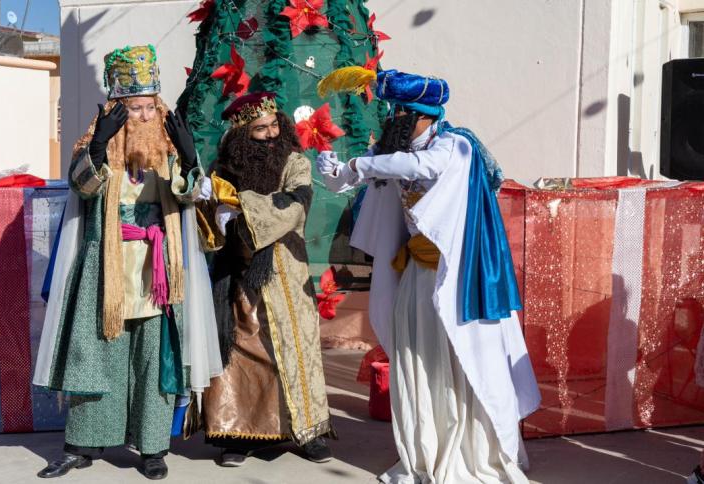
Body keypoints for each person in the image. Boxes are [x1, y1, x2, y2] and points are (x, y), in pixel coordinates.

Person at [317, 70, 541, 483]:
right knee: (417, 363)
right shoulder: (395, 151)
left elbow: (418, 165)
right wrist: (337, 172)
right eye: (394, 112)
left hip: (457, 283)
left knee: (459, 362)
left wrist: (358, 163)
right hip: (416, 278)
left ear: (422, 114)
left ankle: (471, 451)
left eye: (402, 113)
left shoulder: (455, 146)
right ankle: (426, 450)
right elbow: (368, 178)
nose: (395, 119)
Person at [32, 45, 220, 480]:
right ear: (117, 109)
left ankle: (152, 447)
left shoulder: (169, 147)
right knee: (96, 356)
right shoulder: (97, 144)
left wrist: (191, 159)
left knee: (154, 360)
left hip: (159, 268)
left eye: (150, 107)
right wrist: (98, 145)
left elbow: (192, 195)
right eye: (133, 108)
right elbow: (81, 188)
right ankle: (82, 445)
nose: (143, 116)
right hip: (106, 266)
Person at [193, 92, 335, 467]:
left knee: (293, 350)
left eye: (274, 125)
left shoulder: (295, 163)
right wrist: (208, 206)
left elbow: (296, 204)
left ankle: (308, 431)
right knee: (240, 354)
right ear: (242, 134)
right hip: (237, 275)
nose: (271, 134)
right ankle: (238, 432)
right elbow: (209, 220)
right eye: (260, 129)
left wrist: (241, 214)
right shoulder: (222, 170)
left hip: (285, 273)